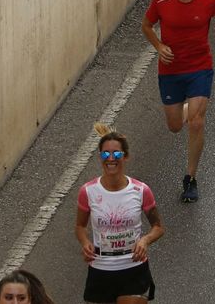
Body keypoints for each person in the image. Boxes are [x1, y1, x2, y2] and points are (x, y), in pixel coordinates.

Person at [141, 0, 215, 203]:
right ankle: (186, 109)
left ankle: (190, 178)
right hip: (171, 71)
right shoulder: (161, 0)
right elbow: (146, 25)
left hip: (199, 68)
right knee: (174, 126)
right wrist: (159, 46)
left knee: (196, 122)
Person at [76, 127, 165, 304]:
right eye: (105, 154)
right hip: (101, 268)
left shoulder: (140, 190)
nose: (110, 159)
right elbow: (80, 227)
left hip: (133, 266)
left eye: (116, 154)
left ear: (125, 157)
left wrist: (144, 241)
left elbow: (158, 227)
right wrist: (86, 243)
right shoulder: (88, 191)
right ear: (100, 157)